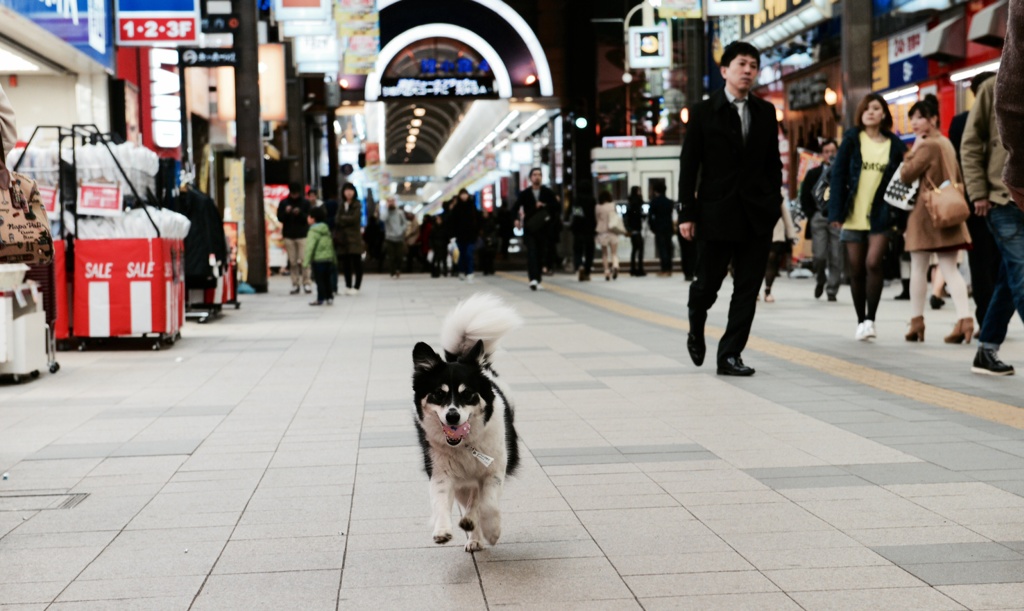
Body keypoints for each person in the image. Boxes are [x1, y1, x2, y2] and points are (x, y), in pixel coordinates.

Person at [678, 41, 782, 377]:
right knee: (707, 284)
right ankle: (696, 324)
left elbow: (773, 164)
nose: (748, 70)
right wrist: (687, 213)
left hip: (756, 215)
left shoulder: (765, 112)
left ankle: (730, 355)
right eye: (741, 64)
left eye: (753, 65)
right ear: (725, 70)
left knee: (748, 288)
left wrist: (772, 202)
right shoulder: (703, 112)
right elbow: (688, 166)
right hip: (716, 212)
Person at [828, 94, 907, 341]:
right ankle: (860, 320)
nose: (871, 112)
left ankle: (871, 319)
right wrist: (836, 212)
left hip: (882, 215)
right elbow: (838, 176)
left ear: (884, 113)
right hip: (853, 213)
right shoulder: (852, 139)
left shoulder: (895, 145)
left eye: (876, 108)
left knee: (873, 263)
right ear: (860, 114)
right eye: (867, 108)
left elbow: (902, 182)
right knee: (856, 270)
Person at [972, 0, 1024, 375]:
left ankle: (986, 349)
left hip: (1016, 186)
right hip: (1004, 195)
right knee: (1022, 272)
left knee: (1010, 276)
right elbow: (971, 144)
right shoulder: (992, 88)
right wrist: (978, 192)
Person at [898, 96, 973, 343]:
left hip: (926, 214)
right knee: (950, 269)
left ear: (933, 119)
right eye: (912, 118)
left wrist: (913, 151)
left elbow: (906, 176)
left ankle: (916, 321)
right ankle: (965, 320)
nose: (915, 123)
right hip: (949, 210)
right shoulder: (947, 143)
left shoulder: (927, 145)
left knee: (919, 267)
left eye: (920, 117)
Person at [800, 139, 842, 301]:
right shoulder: (813, 174)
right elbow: (804, 196)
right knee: (819, 254)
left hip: (836, 217)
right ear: (821, 154)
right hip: (818, 216)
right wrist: (811, 214)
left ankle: (832, 290)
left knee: (837, 255)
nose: (830, 155)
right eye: (827, 151)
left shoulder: (840, 172)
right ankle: (820, 277)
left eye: (833, 151)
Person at [514, 167, 559, 290]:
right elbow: (515, 207)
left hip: (543, 229)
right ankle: (532, 278)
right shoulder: (525, 193)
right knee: (532, 252)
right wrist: (516, 219)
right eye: (534, 175)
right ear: (530, 177)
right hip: (529, 228)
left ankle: (538, 278)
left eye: (539, 174)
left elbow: (557, 206)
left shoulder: (547, 192)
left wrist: (544, 205)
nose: (537, 177)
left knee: (540, 253)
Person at [277, 182, 312, 295]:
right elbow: (280, 218)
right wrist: (286, 212)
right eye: (293, 193)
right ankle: (295, 284)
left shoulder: (305, 203)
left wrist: (300, 213)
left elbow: (309, 218)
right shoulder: (284, 203)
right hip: (289, 235)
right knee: (292, 262)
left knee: (304, 260)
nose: (294, 195)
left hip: (302, 235)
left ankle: (306, 283)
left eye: (296, 193)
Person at [333, 182, 364, 296]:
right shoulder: (342, 205)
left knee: (357, 263)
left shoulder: (357, 204)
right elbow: (337, 219)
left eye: (351, 190)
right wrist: (345, 219)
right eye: (346, 190)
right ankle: (348, 286)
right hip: (343, 239)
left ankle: (356, 286)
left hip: (354, 239)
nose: (349, 192)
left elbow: (354, 219)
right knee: (346, 264)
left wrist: (343, 219)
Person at [762, 202, 798, 302]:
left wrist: (791, 233)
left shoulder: (776, 188)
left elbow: (784, 211)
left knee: (772, 259)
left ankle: (768, 289)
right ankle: (754, 290)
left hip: (775, 229)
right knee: (757, 261)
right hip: (755, 228)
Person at [304, 206, 336, 306]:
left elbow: (310, 247)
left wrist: (306, 262)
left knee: (319, 280)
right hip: (328, 259)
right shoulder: (326, 229)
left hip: (318, 260)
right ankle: (329, 297)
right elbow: (331, 246)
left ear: (313, 218)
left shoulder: (313, 231)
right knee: (327, 279)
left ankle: (320, 298)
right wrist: (334, 259)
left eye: (308, 216)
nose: (307, 218)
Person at [449, 188, 481, 283]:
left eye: (465, 194)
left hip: (470, 236)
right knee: (461, 255)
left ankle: (470, 272)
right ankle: (462, 271)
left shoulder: (472, 206)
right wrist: (452, 235)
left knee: (469, 254)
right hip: (459, 236)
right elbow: (452, 223)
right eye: (462, 194)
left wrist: (476, 232)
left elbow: (477, 220)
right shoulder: (456, 208)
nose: (464, 196)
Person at [570, 182, 597, 281]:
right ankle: (587, 271)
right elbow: (594, 215)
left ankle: (579, 265)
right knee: (589, 251)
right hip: (590, 229)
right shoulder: (592, 200)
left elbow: (576, 215)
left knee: (578, 249)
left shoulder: (577, 200)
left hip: (579, 229)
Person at [647, 183, 675, 277]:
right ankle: (669, 269)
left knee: (662, 249)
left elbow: (650, 216)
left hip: (659, 227)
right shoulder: (669, 202)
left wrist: (652, 227)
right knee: (668, 248)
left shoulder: (654, 202)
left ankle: (664, 269)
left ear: (655, 191)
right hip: (668, 227)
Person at [594, 191, 621, 281]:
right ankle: (615, 265)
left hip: (602, 232)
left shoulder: (598, 207)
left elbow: (597, 219)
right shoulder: (612, 205)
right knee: (614, 253)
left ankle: (606, 271)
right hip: (612, 231)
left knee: (604, 254)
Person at [383, 199, 408, 278]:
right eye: (389, 202)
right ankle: (392, 272)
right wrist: (387, 208)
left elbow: (405, 223)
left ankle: (398, 269)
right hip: (389, 238)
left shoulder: (400, 212)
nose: (391, 203)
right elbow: (383, 219)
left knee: (399, 256)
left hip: (399, 238)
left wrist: (401, 230)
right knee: (391, 256)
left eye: (392, 201)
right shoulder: (385, 212)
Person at [626, 186, 647, 276]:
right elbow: (638, 215)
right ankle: (639, 269)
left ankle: (633, 269)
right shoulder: (637, 202)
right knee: (640, 249)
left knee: (634, 249)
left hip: (633, 229)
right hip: (637, 229)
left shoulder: (631, 202)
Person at [478, 207, 499, 276]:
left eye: (486, 213)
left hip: (490, 239)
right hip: (483, 240)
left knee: (490, 255)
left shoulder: (491, 220)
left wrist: (490, 237)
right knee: (484, 255)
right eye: (483, 213)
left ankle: (491, 269)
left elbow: (494, 230)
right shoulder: (480, 221)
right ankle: (485, 269)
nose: (485, 214)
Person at [404, 208, 422, 273]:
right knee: (412, 256)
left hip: (414, 242)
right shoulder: (412, 222)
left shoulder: (415, 222)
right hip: (412, 242)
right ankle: (409, 268)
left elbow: (413, 231)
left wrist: (406, 236)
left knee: (412, 256)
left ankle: (409, 269)